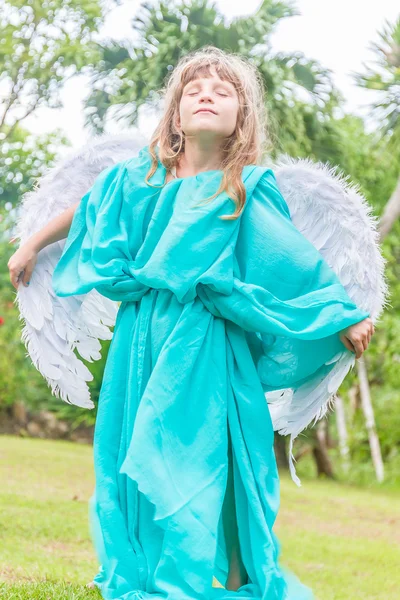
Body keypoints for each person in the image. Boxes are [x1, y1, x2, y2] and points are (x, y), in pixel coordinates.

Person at [8, 46, 374, 599]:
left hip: (209, 338)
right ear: (176, 114)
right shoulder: (142, 175)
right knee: (139, 445)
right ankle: (145, 564)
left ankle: (235, 576)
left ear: (240, 117)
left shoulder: (246, 185)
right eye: (194, 91)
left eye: (222, 92)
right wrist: (32, 244)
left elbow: (293, 261)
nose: (206, 96)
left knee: (220, 449)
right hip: (144, 335)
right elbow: (87, 211)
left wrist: (341, 313)